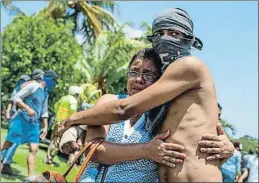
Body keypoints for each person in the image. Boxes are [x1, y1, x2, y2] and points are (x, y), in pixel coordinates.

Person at [58, 8, 235, 182]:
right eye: (159, 33)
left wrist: (72, 119)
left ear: (188, 40)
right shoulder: (160, 103)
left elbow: (122, 109)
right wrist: (78, 127)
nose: (165, 38)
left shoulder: (189, 66)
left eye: (174, 33)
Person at [1, 70, 58, 179]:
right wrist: (27, 108)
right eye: (54, 81)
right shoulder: (33, 86)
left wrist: (45, 126)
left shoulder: (46, 93)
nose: (54, 84)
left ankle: (30, 177)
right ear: (48, 79)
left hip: (34, 124)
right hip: (21, 120)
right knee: (8, 144)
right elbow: (16, 97)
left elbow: (44, 110)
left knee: (34, 149)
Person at [1, 74, 31, 175]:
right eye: (21, 80)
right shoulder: (22, 89)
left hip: (18, 116)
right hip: (17, 117)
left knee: (11, 141)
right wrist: (8, 111)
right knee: (14, 141)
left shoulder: (22, 89)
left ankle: (4, 161)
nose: (22, 82)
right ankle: (5, 163)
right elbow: (12, 101)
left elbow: (12, 100)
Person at [44, 86, 82, 165]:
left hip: (57, 121)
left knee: (54, 141)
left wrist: (58, 115)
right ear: (76, 94)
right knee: (65, 141)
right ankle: (70, 162)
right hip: (65, 124)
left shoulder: (64, 98)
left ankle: (48, 158)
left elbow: (55, 106)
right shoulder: (73, 101)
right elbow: (73, 110)